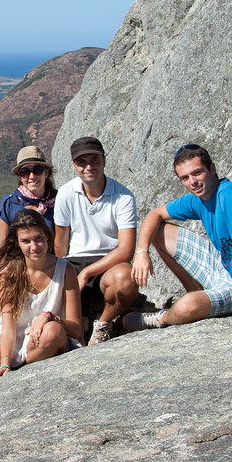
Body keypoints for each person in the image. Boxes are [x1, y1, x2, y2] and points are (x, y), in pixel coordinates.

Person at [129, 143, 232, 329]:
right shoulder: (198, 199)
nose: (192, 182)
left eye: (197, 173)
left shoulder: (229, 196)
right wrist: (141, 252)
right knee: (158, 232)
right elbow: (155, 214)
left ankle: (163, 318)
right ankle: (198, 295)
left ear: (212, 169)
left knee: (188, 306)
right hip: (224, 269)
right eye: (185, 178)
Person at [0, 210, 83, 398]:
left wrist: (49, 316)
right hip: (10, 336)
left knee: (52, 332)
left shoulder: (65, 270)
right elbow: (8, 325)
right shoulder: (9, 272)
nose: (34, 246)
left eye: (38, 239)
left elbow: (76, 328)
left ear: (47, 238)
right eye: (26, 241)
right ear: (17, 243)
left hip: (43, 339)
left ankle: (24, 375)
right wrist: (4, 363)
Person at [53, 136, 139, 345]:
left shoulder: (123, 197)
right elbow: (61, 244)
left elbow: (126, 250)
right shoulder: (65, 193)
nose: (89, 167)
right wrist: (60, 273)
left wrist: (87, 273)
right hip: (74, 260)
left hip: (109, 260)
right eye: (82, 162)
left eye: (95, 160)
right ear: (74, 165)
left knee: (126, 280)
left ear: (104, 160)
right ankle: (76, 324)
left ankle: (103, 324)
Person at [0, 145, 58, 246]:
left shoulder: (58, 201)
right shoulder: (9, 204)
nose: (32, 176)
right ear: (20, 177)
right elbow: (3, 245)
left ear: (46, 173)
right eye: (25, 172)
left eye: (37, 170)